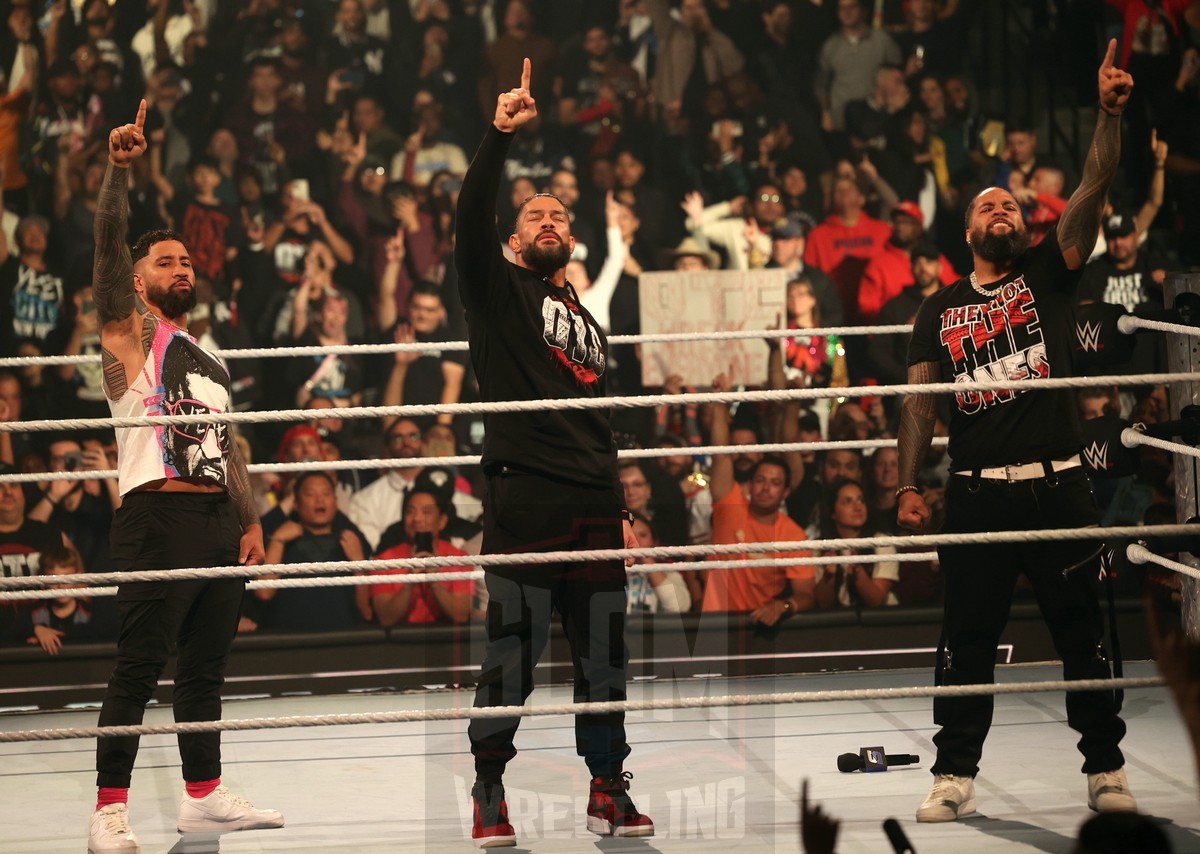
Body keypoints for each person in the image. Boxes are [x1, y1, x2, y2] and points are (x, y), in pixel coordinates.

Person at [896, 43, 1136, 823]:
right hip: (974, 497)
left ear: (1027, 223)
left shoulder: (1048, 273)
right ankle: (952, 774)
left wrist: (1106, 114)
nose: (1001, 211)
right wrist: (905, 483)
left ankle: (1105, 768)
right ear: (966, 231)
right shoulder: (938, 310)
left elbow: (1094, 190)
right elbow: (919, 402)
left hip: (1060, 483)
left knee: (1082, 635)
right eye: (986, 207)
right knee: (966, 638)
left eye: (1011, 205)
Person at [455, 59, 653, 846]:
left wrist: (623, 501)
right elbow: (472, 219)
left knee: (605, 658)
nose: (547, 220)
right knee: (513, 656)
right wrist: (499, 136)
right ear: (511, 240)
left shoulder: (585, 319)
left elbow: (598, 419)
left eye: (558, 216)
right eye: (534, 214)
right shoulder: (499, 293)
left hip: (594, 504)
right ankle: (490, 788)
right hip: (527, 498)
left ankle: (607, 787)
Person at [87, 102, 282, 854]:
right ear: (138, 282)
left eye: (187, 262)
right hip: (156, 516)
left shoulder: (210, 357)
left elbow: (228, 446)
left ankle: (201, 797)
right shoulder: (128, 335)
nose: (182, 270)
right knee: (138, 668)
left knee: (204, 669)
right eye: (166, 262)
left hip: (216, 522)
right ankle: (109, 812)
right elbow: (106, 249)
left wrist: (252, 518)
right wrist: (120, 171)